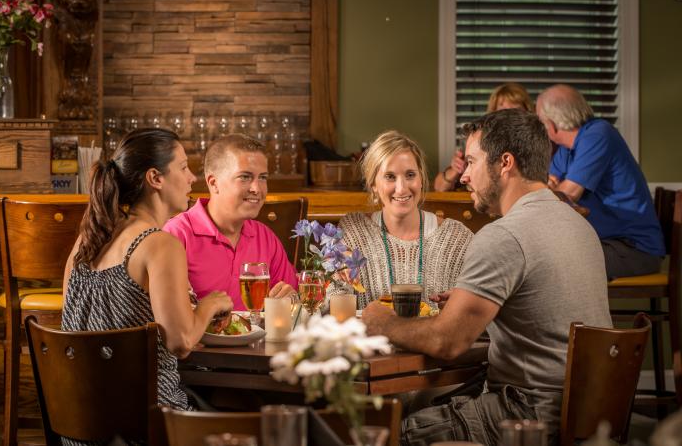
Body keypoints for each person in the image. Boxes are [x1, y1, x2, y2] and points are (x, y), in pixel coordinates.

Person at [362, 109, 612, 445]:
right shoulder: (580, 226)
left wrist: (381, 321)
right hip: (591, 414)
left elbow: (446, 342)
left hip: (529, 416)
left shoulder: (503, 236)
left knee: (386, 432)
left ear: (504, 163)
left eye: (473, 162)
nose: (463, 176)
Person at [62, 129, 234, 430]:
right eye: (183, 167)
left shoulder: (86, 241)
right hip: (147, 424)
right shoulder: (159, 245)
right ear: (155, 178)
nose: (192, 177)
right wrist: (209, 305)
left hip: (79, 425)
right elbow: (180, 342)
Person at [329, 130, 473, 309]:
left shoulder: (457, 239)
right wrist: (336, 276)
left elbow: (481, 311)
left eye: (410, 175)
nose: (402, 188)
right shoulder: (352, 232)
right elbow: (329, 308)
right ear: (373, 184)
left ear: (421, 178)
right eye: (390, 177)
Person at [537, 84, 665, 279]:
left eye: (540, 121)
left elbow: (566, 195)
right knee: (543, 258)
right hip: (609, 243)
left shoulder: (598, 134)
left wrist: (556, 188)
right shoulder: (566, 149)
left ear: (552, 123)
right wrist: (553, 187)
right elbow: (547, 186)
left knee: (553, 264)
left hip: (634, 249)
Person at [164, 134, 297, 311]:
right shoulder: (176, 235)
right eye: (244, 177)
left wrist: (292, 298)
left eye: (263, 178)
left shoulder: (266, 237)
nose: (257, 189)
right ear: (214, 183)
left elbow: (291, 300)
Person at [434, 83, 534, 191]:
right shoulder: (478, 142)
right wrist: (455, 169)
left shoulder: (537, 142)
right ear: (493, 114)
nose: (508, 116)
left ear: (527, 112)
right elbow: (439, 187)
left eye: (515, 110)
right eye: (503, 110)